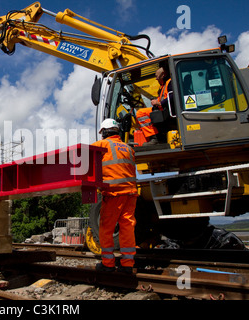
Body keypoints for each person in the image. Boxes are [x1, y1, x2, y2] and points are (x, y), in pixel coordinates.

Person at [92, 119, 138, 274]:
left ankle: (108, 263)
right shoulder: (128, 148)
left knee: (106, 228)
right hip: (131, 193)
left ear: (104, 132)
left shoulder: (101, 145)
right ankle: (127, 264)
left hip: (114, 193)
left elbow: (86, 163)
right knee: (127, 227)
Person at [136, 67, 172, 145]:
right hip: (163, 108)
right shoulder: (163, 85)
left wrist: (159, 103)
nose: (156, 79)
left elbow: (172, 96)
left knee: (141, 113)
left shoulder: (170, 83)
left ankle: (155, 137)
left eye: (157, 76)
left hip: (166, 110)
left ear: (163, 75)